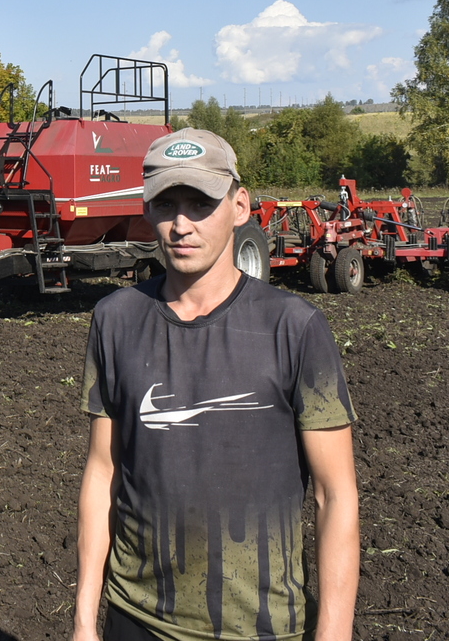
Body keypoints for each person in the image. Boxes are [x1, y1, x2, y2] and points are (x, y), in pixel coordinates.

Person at [71, 129, 358, 641]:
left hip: (261, 627)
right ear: (146, 208)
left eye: (200, 203)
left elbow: (335, 495)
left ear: (239, 205)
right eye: (165, 204)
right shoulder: (115, 320)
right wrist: (84, 623)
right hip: (135, 620)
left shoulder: (294, 328)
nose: (181, 224)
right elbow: (102, 473)